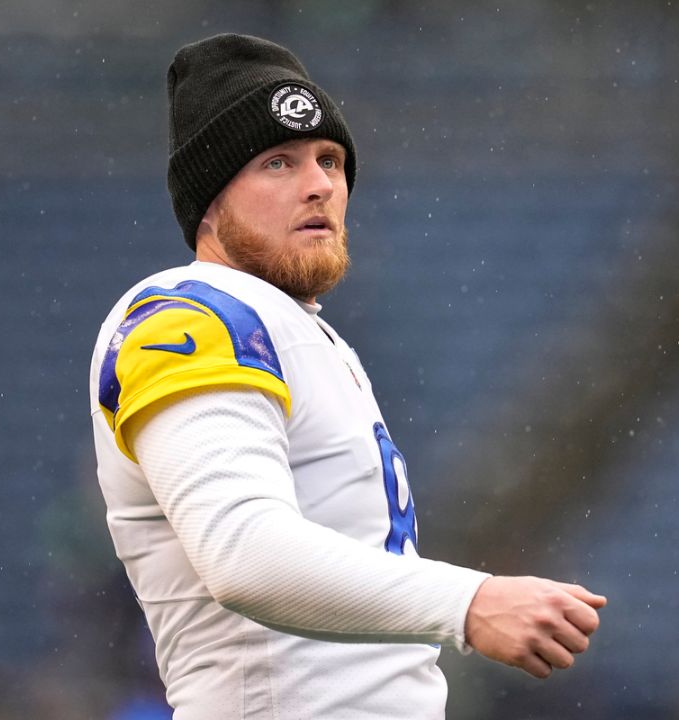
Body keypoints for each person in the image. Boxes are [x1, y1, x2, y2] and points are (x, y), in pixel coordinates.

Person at [88, 33, 607, 719]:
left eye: (329, 159)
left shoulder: (300, 330)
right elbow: (243, 554)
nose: (320, 185)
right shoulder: (188, 318)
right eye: (278, 162)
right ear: (209, 199)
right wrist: (467, 601)